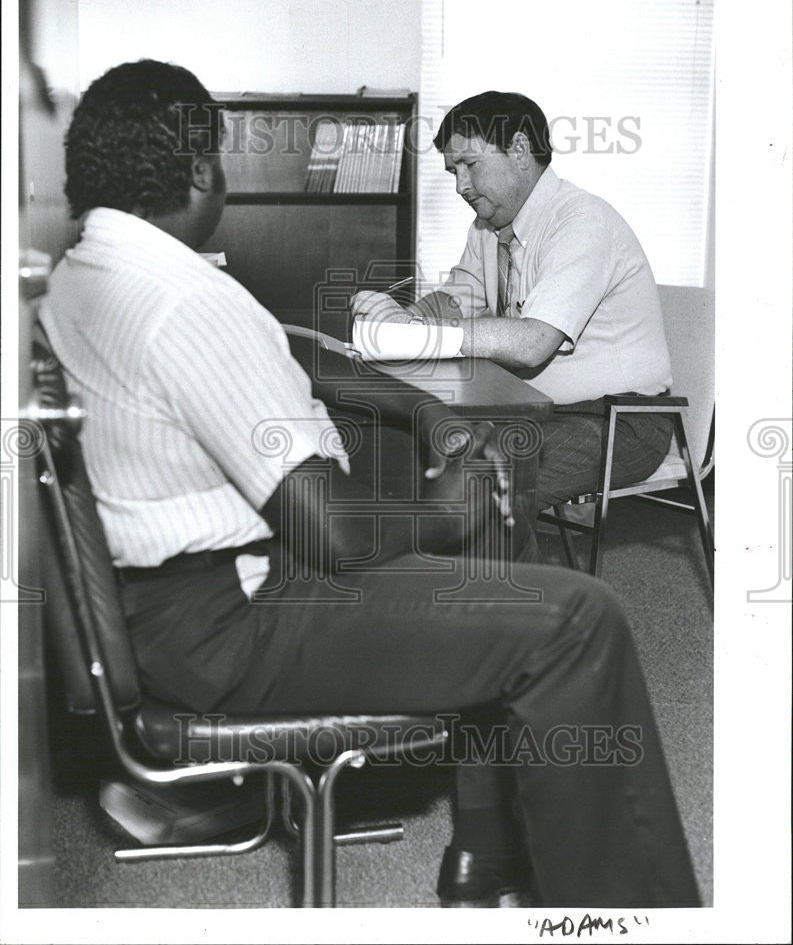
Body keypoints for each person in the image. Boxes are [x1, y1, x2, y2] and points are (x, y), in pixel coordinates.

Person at [40, 60, 700, 908]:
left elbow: (296, 355)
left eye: (469, 167)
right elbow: (335, 534)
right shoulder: (185, 301)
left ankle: (486, 848)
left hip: (174, 603)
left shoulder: (79, 278)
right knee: (572, 611)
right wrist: (434, 509)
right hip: (234, 621)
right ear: (203, 169)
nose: (460, 186)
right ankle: (584, 894)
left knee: (492, 510)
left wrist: (425, 416)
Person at [352, 90, 674, 510]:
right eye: (453, 171)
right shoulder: (487, 227)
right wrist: (397, 318)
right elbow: (455, 300)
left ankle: (494, 573)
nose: (460, 186)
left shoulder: (581, 222)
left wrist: (412, 332)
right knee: (405, 455)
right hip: (534, 409)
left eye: (470, 165)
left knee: (470, 486)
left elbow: (532, 343)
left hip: (620, 422)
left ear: (520, 150)